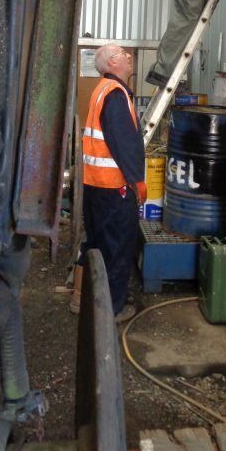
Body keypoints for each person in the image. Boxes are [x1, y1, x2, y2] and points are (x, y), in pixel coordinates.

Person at [70, 43, 146, 323]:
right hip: (115, 189)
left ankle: (88, 299)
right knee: (118, 247)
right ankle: (111, 309)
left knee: (99, 244)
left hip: (95, 187)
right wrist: (138, 184)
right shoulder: (115, 95)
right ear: (113, 63)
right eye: (124, 54)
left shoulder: (102, 90)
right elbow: (124, 145)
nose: (129, 57)